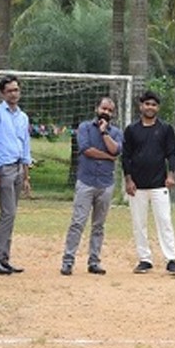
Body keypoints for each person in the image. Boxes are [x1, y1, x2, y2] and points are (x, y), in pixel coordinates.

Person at [60, 97, 124, 275]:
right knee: (78, 222)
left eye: (110, 110)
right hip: (86, 182)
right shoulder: (85, 127)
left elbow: (116, 150)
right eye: (104, 108)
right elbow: (86, 149)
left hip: (105, 184)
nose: (106, 112)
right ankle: (68, 261)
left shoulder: (116, 132)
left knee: (98, 225)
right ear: (97, 108)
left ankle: (94, 261)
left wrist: (104, 134)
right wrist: (108, 157)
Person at [122, 91, 175, 275]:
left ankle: (171, 259)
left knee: (164, 221)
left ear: (158, 108)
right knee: (139, 223)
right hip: (137, 186)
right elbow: (126, 157)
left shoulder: (165, 129)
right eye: (147, 104)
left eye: (154, 105)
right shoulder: (132, 130)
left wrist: (171, 175)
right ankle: (145, 259)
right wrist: (128, 180)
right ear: (141, 106)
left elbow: (171, 153)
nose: (150, 107)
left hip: (159, 185)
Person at [0, 75, 32, 275]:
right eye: (10, 91)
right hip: (3, 167)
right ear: (2, 93)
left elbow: (25, 147)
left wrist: (26, 176)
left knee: (11, 214)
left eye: (16, 90)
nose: (14, 94)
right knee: (8, 213)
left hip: (17, 167)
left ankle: (4, 258)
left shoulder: (22, 117)